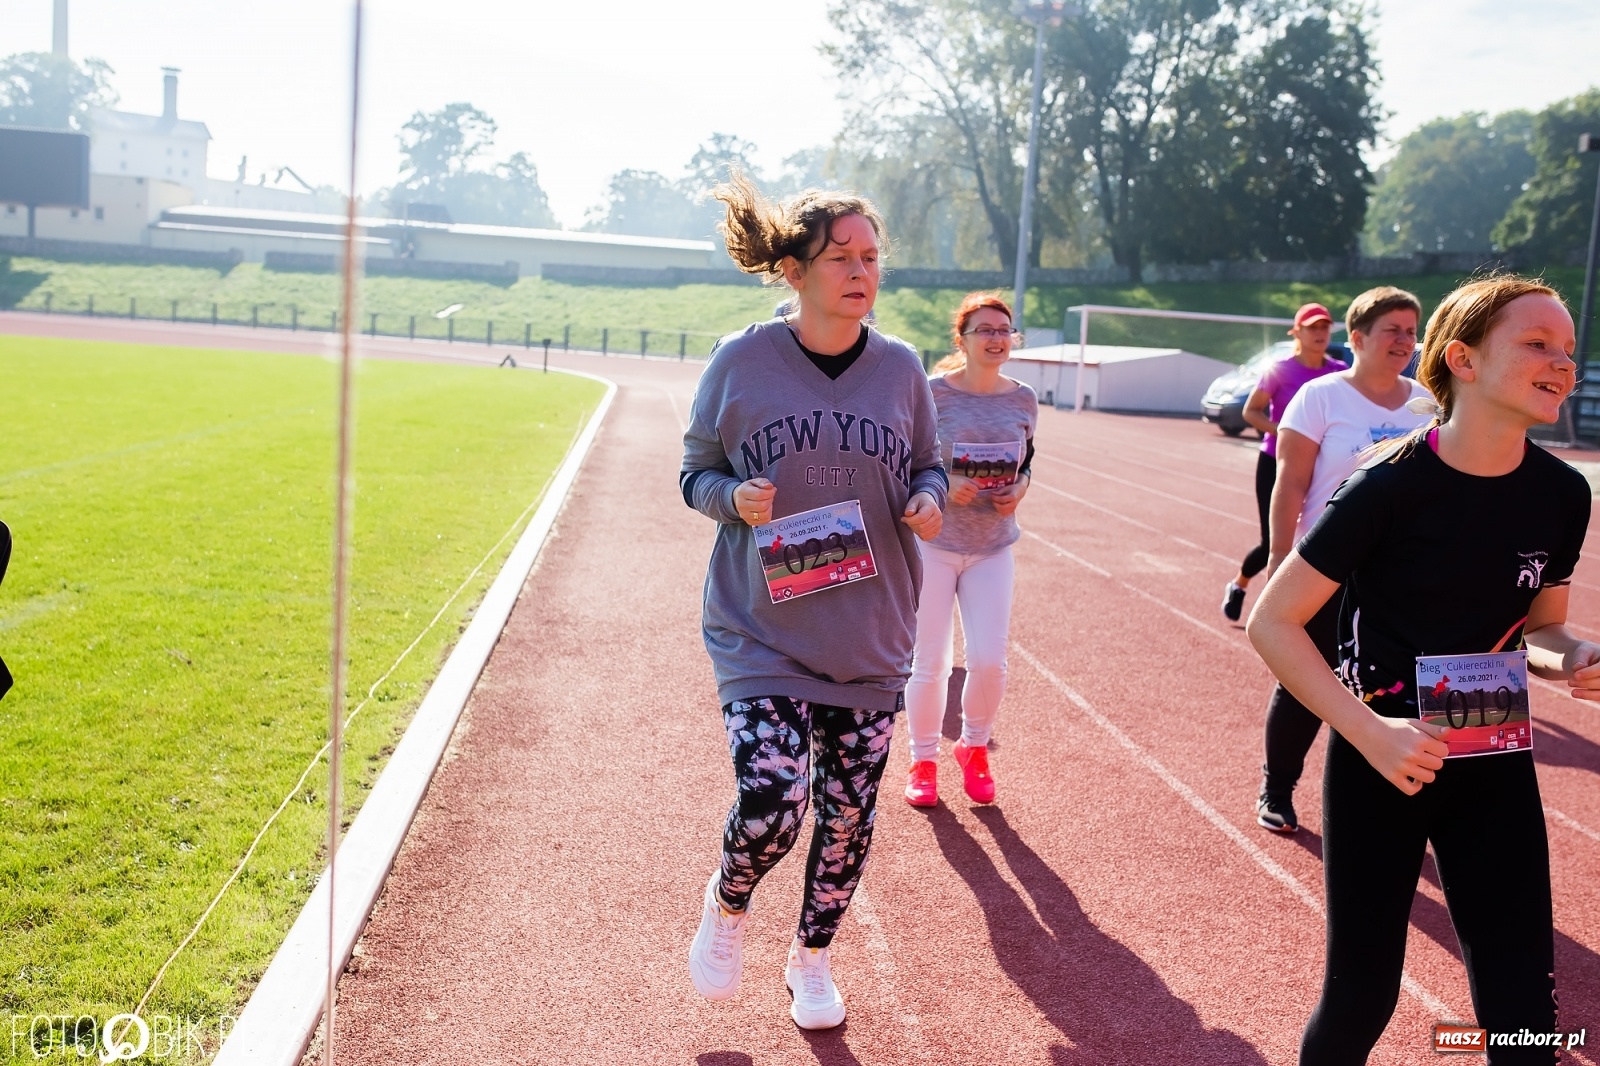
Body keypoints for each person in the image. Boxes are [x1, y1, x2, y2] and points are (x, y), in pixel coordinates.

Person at [1247, 275, 1590, 1064]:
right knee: (1363, 997)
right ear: (1462, 360)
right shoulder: (1386, 484)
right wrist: (1371, 734)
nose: (1562, 363)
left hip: (1494, 763)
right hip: (1382, 766)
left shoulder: (1562, 494)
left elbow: (1542, 629)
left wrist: (1575, 657)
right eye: (1537, 345)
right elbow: (1274, 621)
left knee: (1522, 1009)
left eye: (1569, 350)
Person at [679, 172, 947, 1030]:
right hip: (761, 625)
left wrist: (929, 498)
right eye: (842, 257)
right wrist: (733, 500)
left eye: (872, 257)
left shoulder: (902, 368)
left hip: (869, 629)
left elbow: (928, 464)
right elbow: (694, 472)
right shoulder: (741, 361)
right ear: (795, 269)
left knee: (845, 818)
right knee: (773, 799)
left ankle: (813, 958)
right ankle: (728, 905)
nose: (861, 272)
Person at [1251, 287, 1433, 833]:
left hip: (1401, 577)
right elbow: (1290, 485)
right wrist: (1281, 559)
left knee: (1399, 684)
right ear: (1357, 338)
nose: (1404, 341)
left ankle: (1394, 795)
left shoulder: (1426, 402)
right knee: (1307, 681)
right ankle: (1277, 788)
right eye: (1392, 330)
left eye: (1411, 330)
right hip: (1326, 569)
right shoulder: (1319, 397)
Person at [903, 293, 1036, 808]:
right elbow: (907, 461)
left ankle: (974, 748)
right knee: (929, 662)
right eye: (985, 330)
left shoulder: (1023, 398)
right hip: (934, 544)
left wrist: (1019, 490)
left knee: (988, 661)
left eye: (1004, 330)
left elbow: (1028, 464)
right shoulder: (931, 393)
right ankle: (923, 759)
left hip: (991, 547)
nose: (997, 338)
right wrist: (945, 481)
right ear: (961, 339)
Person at [1221, 303, 1347, 622]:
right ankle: (1240, 585)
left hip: (1321, 465)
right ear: (1297, 332)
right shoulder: (1279, 370)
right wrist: (1289, 432)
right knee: (1272, 543)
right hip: (1276, 462)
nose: (1319, 333)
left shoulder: (1337, 372)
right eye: (1312, 327)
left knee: (1320, 539)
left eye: (1324, 327)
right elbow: (1252, 412)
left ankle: (1307, 615)